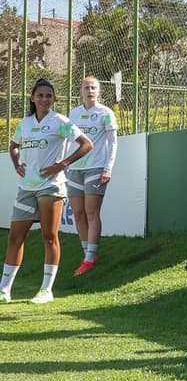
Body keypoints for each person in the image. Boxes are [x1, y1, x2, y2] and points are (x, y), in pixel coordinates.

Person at [1, 79, 93, 304]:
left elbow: (86, 144)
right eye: (40, 95)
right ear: (32, 98)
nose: (44, 99)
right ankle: (4, 290)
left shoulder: (60, 121)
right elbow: (14, 146)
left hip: (51, 186)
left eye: (49, 96)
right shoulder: (25, 123)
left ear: (53, 99)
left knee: (49, 236)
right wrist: (17, 163)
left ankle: (46, 290)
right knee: (15, 237)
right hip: (26, 187)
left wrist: (62, 164)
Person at [68, 76, 118, 276]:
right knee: (78, 214)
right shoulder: (74, 113)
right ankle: (87, 253)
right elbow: (67, 140)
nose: (90, 91)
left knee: (91, 212)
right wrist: (64, 165)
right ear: (81, 90)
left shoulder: (106, 113)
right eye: (86, 87)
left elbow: (113, 142)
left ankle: (89, 259)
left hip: (96, 168)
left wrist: (108, 167)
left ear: (99, 91)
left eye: (93, 88)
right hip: (75, 170)